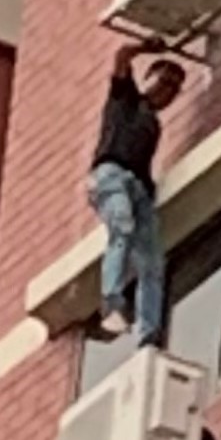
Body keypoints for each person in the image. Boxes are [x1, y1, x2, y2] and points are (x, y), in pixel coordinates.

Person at [90, 42, 187, 344]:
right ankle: (112, 298)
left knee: (152, 262)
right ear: (147, 78)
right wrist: (147, 46)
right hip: (113, 175)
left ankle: (148, 332)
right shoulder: (125, 97)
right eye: (163, 80)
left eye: (174, 87)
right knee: (121, 226)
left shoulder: (153, 124)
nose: (167, 90)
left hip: (139, 187)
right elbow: (121, 56)